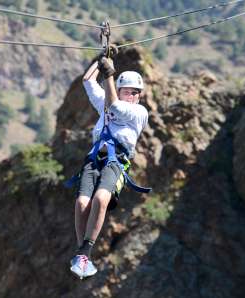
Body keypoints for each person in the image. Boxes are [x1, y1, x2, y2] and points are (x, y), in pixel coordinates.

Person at [69, 55, 149, 279]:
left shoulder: (139, 112)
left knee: (101, 199)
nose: (132, 96)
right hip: (94, 158)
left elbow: (115, 105)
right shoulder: (104, 101)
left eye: (136, 92)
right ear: (120, 89)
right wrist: (101, 59)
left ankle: (87, 249)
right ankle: (81, 252)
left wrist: (110, 74)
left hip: (117, 160)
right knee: (82, 202)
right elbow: (87, 81)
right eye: (128, 91)